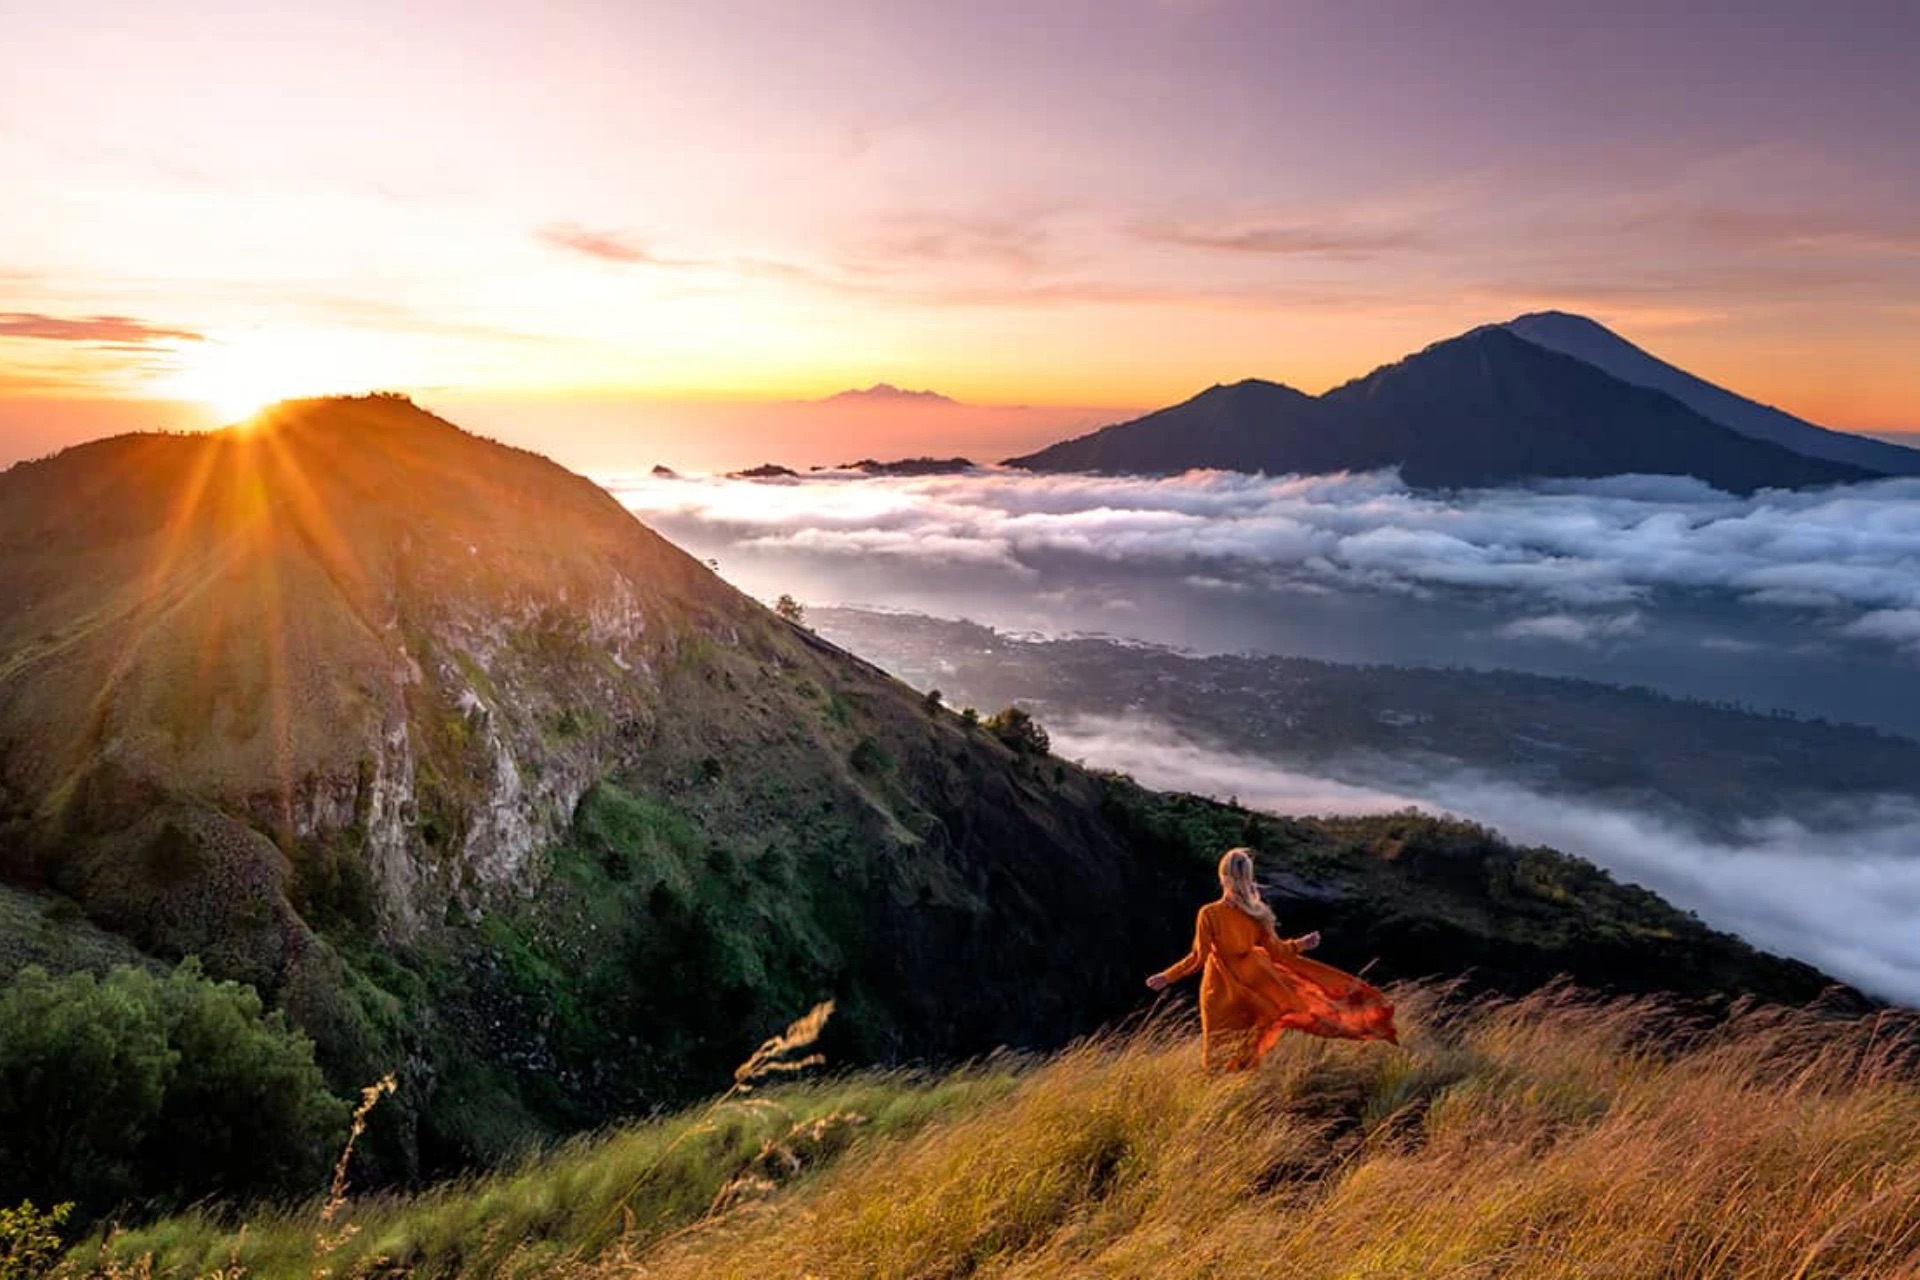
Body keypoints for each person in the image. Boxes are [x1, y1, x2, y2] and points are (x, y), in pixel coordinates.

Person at [1148, 847, 1397, 1070]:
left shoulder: (1210, 913)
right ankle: (1242, 1097)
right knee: (1246, 1048)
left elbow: (1197, 957)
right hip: (1252, 989)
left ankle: (1217, 1100)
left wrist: (1166, 976)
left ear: (1222, 876)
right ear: (1248, 877)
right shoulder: (1257, 913)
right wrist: (1301, 944)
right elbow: (1277, 952)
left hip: (1220, 990)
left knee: (1215, 1052)